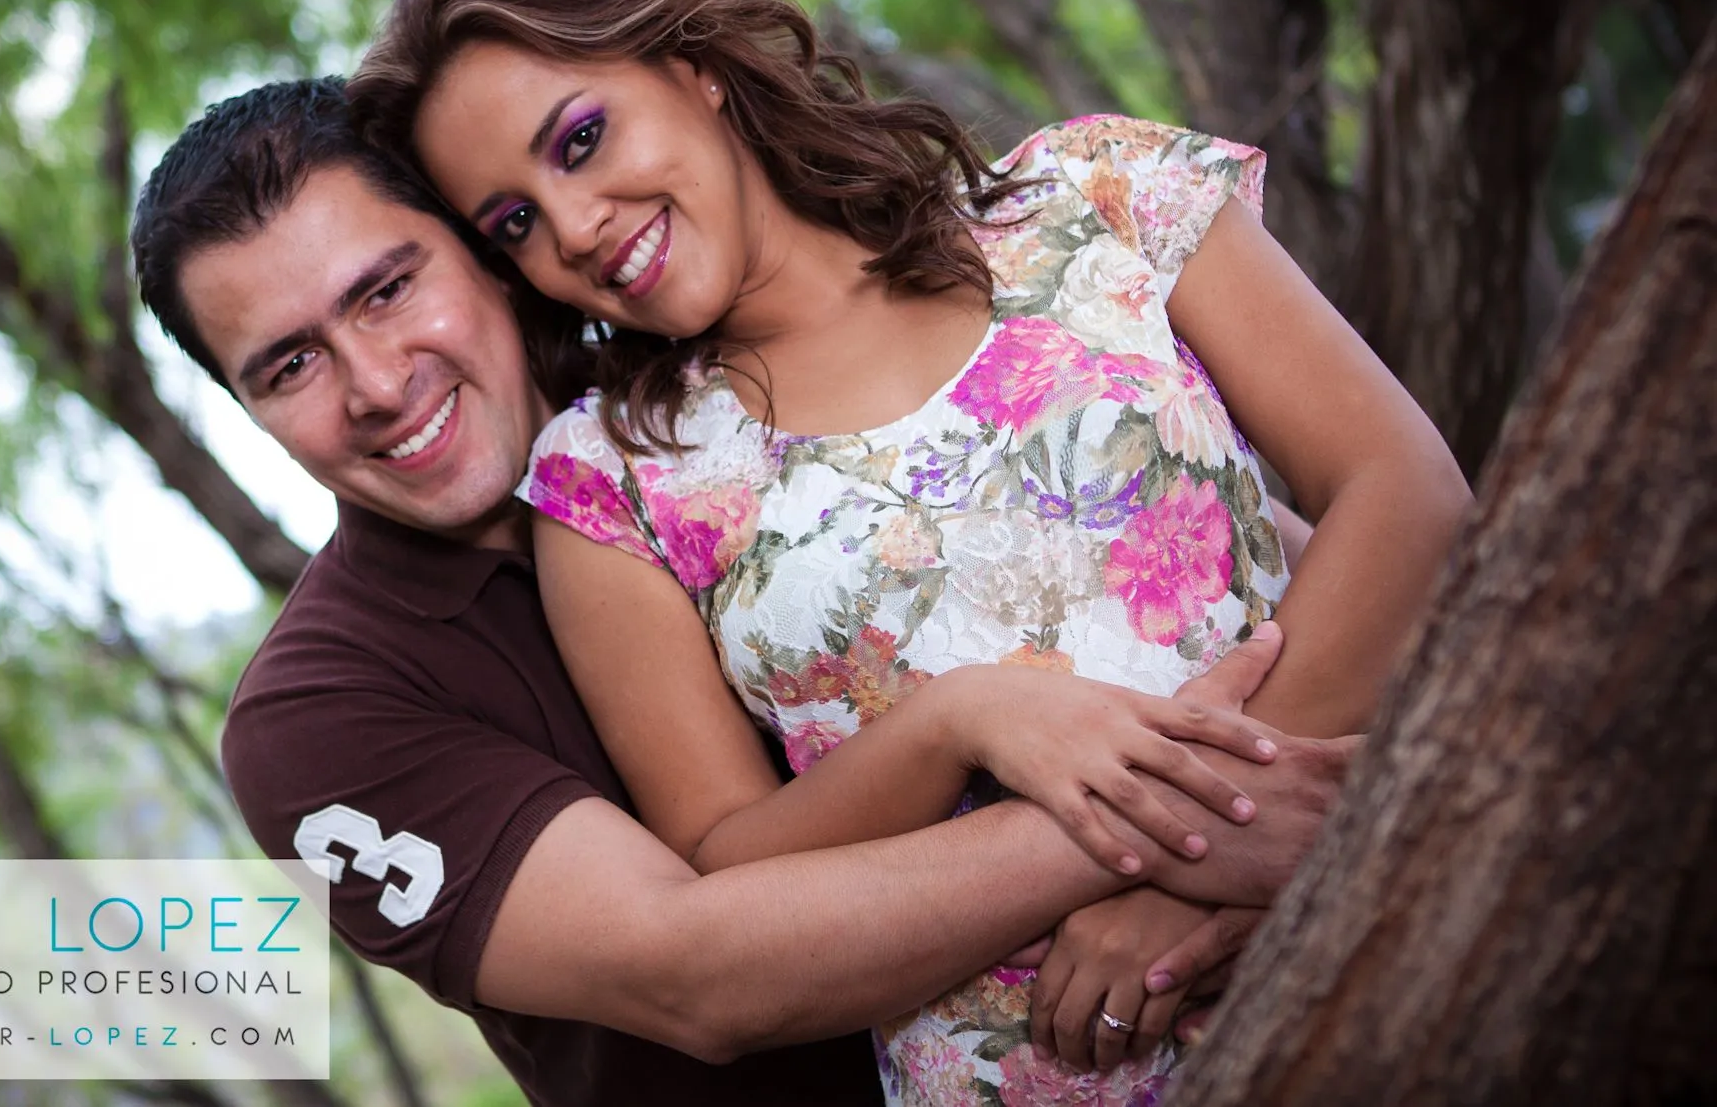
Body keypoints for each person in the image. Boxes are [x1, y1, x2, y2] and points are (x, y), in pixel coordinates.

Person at [350, 0, 1473, 1105]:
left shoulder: (1097, 199)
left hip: (1392, 942)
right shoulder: (613, 479)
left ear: (696, 73)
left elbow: (1404, 493)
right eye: (513, 222)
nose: (573, 226)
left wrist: (1191, 880)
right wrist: (958, 723)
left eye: (581, 140)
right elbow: (729, 862)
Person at [130, 78, 1358, 1107]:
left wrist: (1247, 844)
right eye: (288, 365)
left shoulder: (722, 386)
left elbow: (1252, 572)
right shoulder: (319, 720)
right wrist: (1195, 832)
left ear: (480, 250)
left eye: (387, 288)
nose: (376, 381)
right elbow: (693, 975)